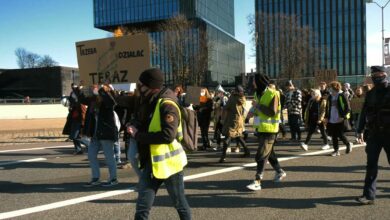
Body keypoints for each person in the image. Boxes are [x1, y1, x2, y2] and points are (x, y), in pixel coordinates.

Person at [126, 68, 191, 219]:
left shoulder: (167, 104)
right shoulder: (150, 100)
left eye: (140, 84)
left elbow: (168, 135)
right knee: (142, 208)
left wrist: (138, 135)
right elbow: (146, 121)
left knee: (180, 204)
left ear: (151, 86)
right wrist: (134, 125)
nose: (138, 87)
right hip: (152, 163)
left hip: (170, 165)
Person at [355, 66, 390, 205]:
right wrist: (359, 130)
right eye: (374, 74)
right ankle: (369, 195)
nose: (376, 76)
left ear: (384, 74)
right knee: (371, 165)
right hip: (374, 134)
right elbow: (364, 113)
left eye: (379, 74)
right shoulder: (370, 94)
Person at [246, 73, 286, 191]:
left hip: (270, 129)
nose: (252, 83)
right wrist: (249, 115)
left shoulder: (273, 93)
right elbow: (255, 107)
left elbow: (272, 112)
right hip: (260, 128)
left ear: (259, 81)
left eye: (253, 80)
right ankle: (280, 171)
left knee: (261, 154)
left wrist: (257, 106)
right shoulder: (257, 93)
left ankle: (257, 181)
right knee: (269, 153)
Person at [83, 83, 119, 187]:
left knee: (109, 157)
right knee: (91, 155)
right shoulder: (94, 103)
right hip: (95, 135)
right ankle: (95, 178)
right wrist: (78, 89)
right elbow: (82, 100)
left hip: (106, 134)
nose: (95, 89)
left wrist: (103, 91)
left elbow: (112, 102)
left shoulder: (107, 103)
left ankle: (113, 178)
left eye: (98, 89)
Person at [219, 85, 250, 162]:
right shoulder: (243, 98)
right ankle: (247, 151)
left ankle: (223, 157)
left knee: (228, 137)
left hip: (232, 120)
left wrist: (222, 117)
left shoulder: (233, 98)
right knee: (238, 136)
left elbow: (226, 107)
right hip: (240, 120)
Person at [324, 81, 353, 156]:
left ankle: (348, 144)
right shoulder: (330, 97)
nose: (329, 90)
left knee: (340, 134)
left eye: (331, 88)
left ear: (335, 88)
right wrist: (326, 117)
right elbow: (327, 108)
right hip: (332, 119)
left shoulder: (341, 95)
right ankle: (336, 151)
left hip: (340, 119)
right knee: (334, 135)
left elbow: (348, 108)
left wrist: (343, 117)